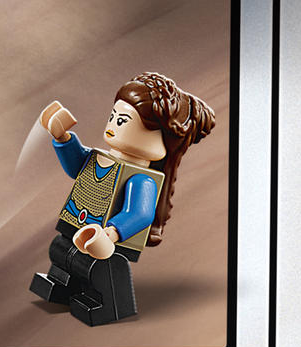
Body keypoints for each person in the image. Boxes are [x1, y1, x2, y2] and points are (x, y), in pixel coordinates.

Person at [29, 73, 216, 326]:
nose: (113, 124)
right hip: (77, 227)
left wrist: (112, 233)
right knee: (60, 249)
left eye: (123, 121)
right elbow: (77, 167)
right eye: (113, 117)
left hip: (104, 239)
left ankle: (110, 302)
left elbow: (140, 214)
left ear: (158, 135)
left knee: (98, 266)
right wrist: (62, 138)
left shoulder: (142, 180)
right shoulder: (100, 158)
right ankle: (64, 284)